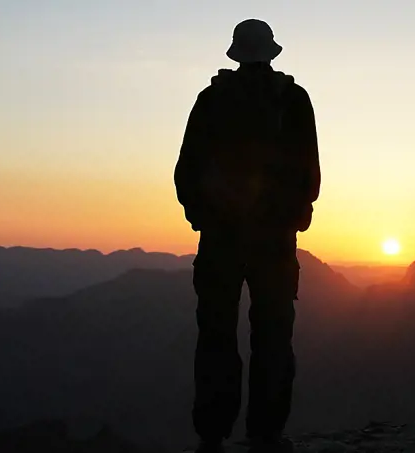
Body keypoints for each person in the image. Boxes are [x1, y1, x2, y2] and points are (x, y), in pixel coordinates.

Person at [174, 19, 320, 453]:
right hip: (274, 243)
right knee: (273, 335)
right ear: (272, 54)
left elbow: (186, 169)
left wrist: (202, 217)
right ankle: (266, 434)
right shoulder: (293, 99)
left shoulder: (211, 99)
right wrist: (293, 217)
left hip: (220, 239)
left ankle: (211, 435)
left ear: (236, 54)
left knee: (216, 335)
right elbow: (308, 172)